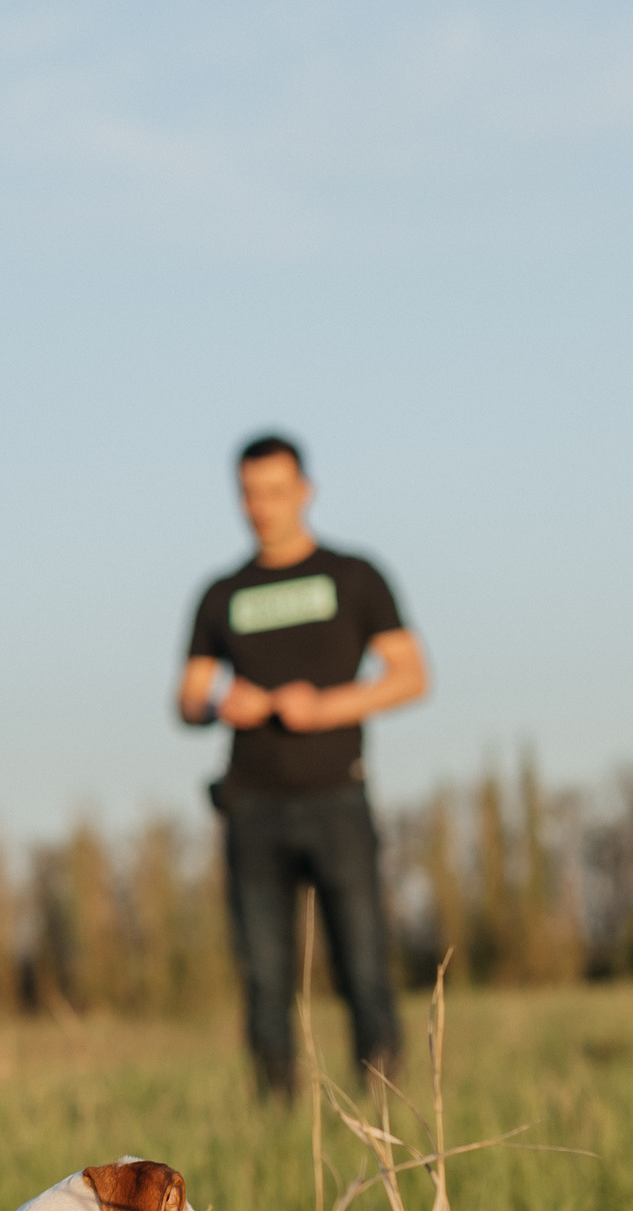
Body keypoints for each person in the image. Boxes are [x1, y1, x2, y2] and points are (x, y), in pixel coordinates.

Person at [178, 434, 429, 1096]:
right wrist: (217, 703)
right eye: (250, 493)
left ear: (305, 491)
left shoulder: (353, 576)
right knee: (264, 976)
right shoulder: (222, 593)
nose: (261, 506)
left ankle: (381, 1109)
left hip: (338, 799)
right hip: (250, 806)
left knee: (364, 966)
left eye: (275, 491)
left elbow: (411, 675)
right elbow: (187, 697)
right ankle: (275, 1114)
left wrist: (327, 706)